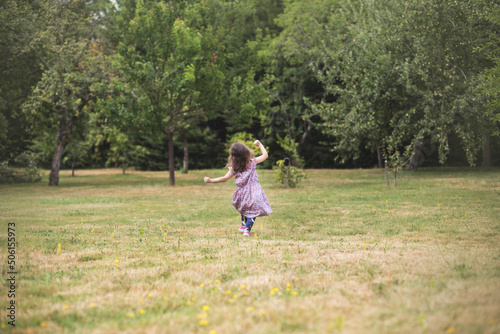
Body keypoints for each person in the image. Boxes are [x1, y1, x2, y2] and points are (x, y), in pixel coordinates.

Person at [204, 140, 272, 237]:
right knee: (253, 211)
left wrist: (211, 180)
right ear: (246, 153)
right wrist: (260, 144)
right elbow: (265, 155)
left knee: (245, 207)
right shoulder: (252, 162)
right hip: (254, 192)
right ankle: (247, 229)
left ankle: (243, 225)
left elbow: (224, 178)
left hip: (242, 192)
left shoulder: (234, 168)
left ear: (233, 156)